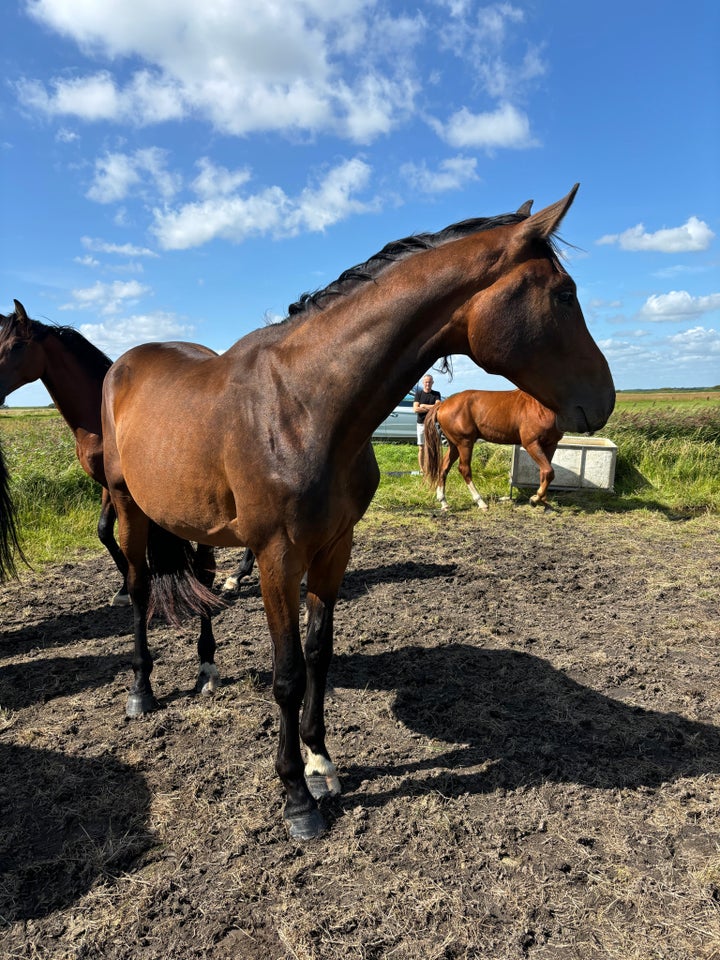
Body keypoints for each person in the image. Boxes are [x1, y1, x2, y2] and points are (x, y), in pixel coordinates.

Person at [413, 373, 441, 470]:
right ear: (423, 383)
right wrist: (431, 409)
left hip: (432, 424)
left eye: (429, 382)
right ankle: (422, 470)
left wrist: (424, 406)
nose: (427, 384)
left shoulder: (436, 394)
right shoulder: (418, 394)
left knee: (433, 447)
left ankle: (433, 467)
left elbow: (438, 406)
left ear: (432, 383)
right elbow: (415, 409)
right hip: (421, 424)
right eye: (426, 382)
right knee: (421, 448)